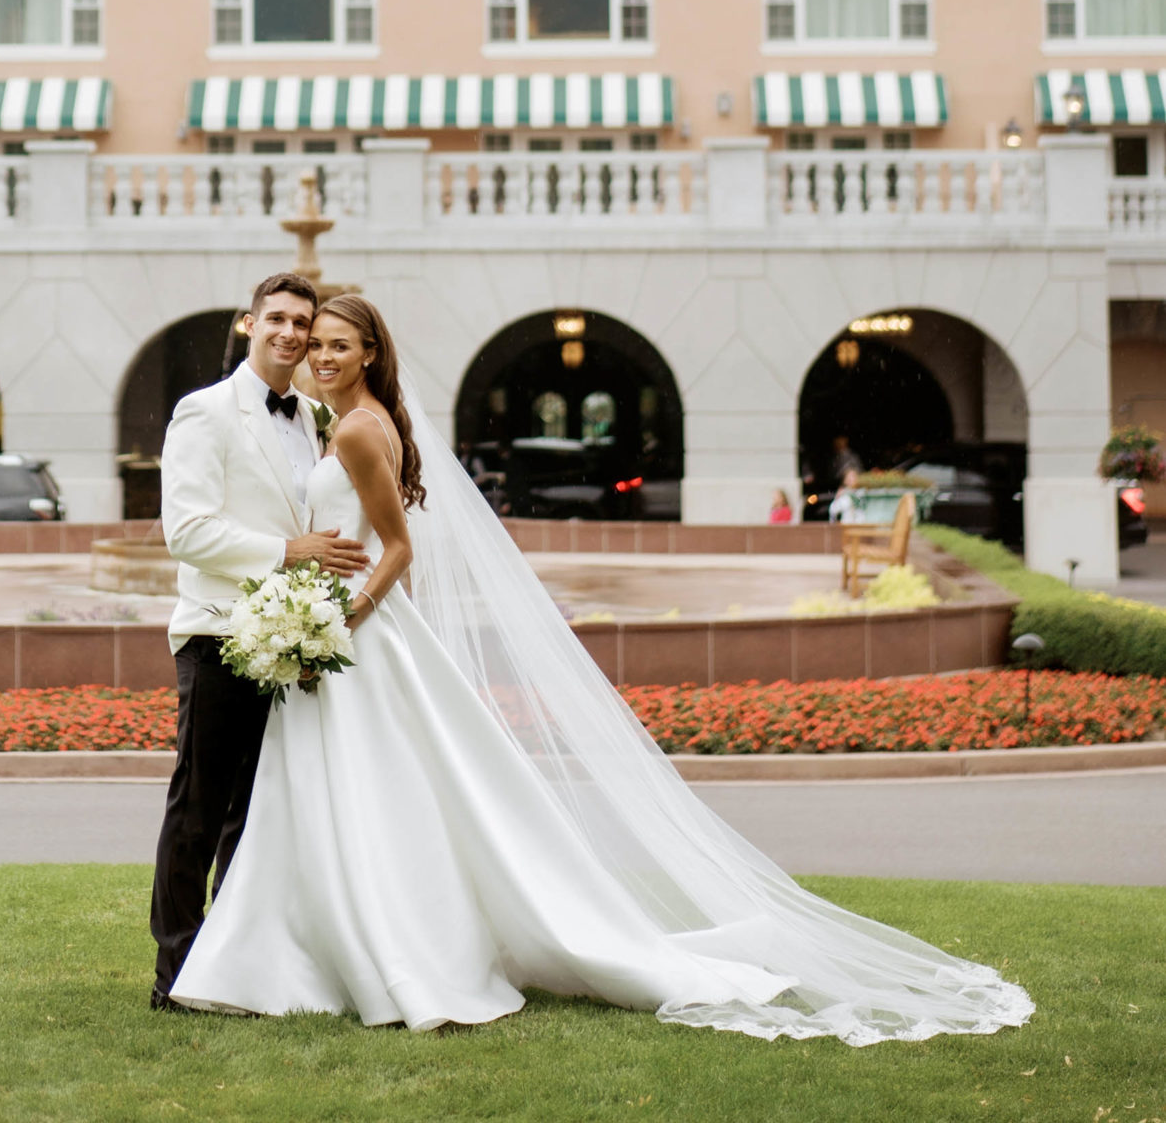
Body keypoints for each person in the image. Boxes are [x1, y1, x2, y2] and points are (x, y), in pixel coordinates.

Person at [168, 292, 1031, 1044]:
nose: (317, 354)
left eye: (332, 345)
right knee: (343, 797)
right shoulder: (338, 421)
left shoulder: (357, 427)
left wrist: (339, 622)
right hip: (342, 643)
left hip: (357, 640)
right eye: (308, 342)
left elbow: (396, 549)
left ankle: (351, 954)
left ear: (370, 355)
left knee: (359, 795)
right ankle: (308, 950)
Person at [147, 272, 368, 1009]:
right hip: (218, 634)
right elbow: (187, 531)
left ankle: (233, 970)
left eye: (302, 322)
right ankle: (173, 975)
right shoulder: (204, 413)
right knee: (199, 811)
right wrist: (288, 552)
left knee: (258, 815)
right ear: (249, 324)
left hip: (292, 641)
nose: (291, 333)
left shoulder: (315, 416)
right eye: (276, 318)